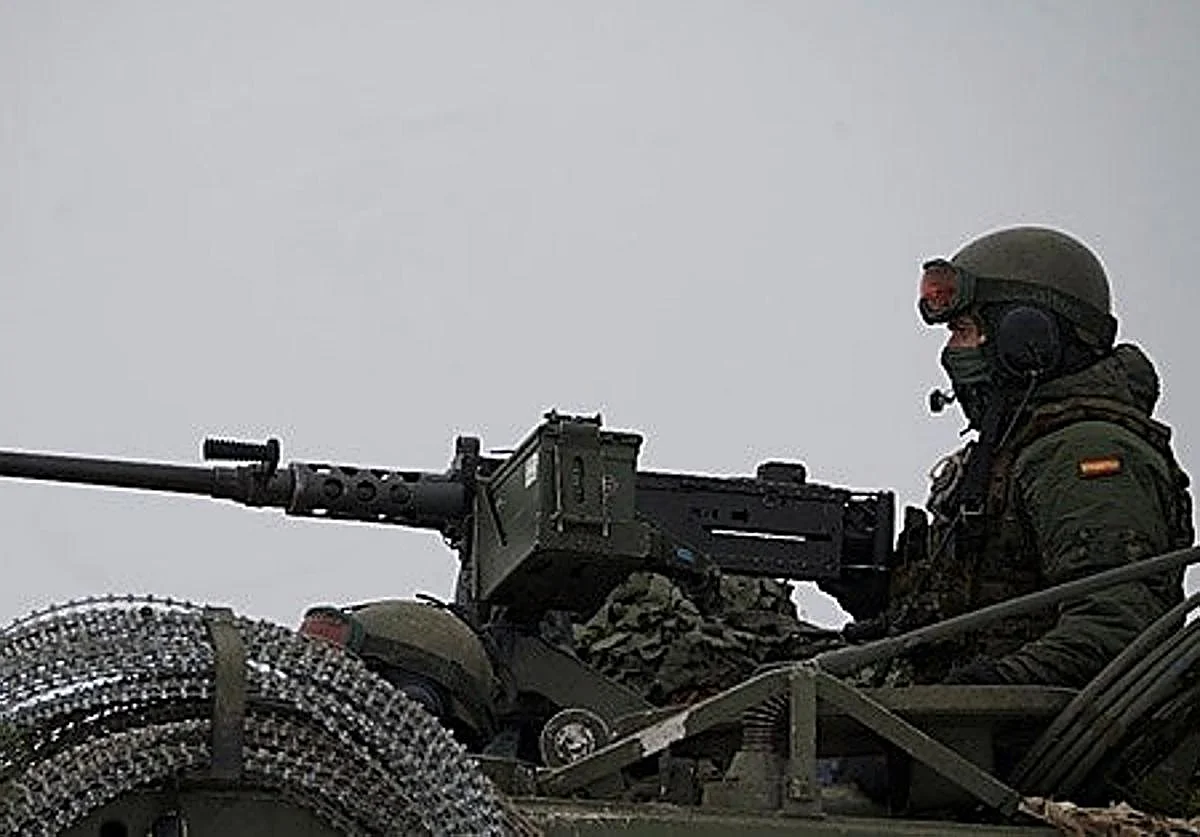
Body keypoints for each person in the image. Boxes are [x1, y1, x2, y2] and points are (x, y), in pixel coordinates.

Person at [854, 225, 1194, 687]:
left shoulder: (1085, 452)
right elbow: (978, 616)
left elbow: (1117, 632)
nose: (949, 352)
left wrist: (982, 690)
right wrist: (873, 590)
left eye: (963, 330)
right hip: (979, 738)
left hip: (1026, 745)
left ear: (1026, 341)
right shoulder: (1012, 454)